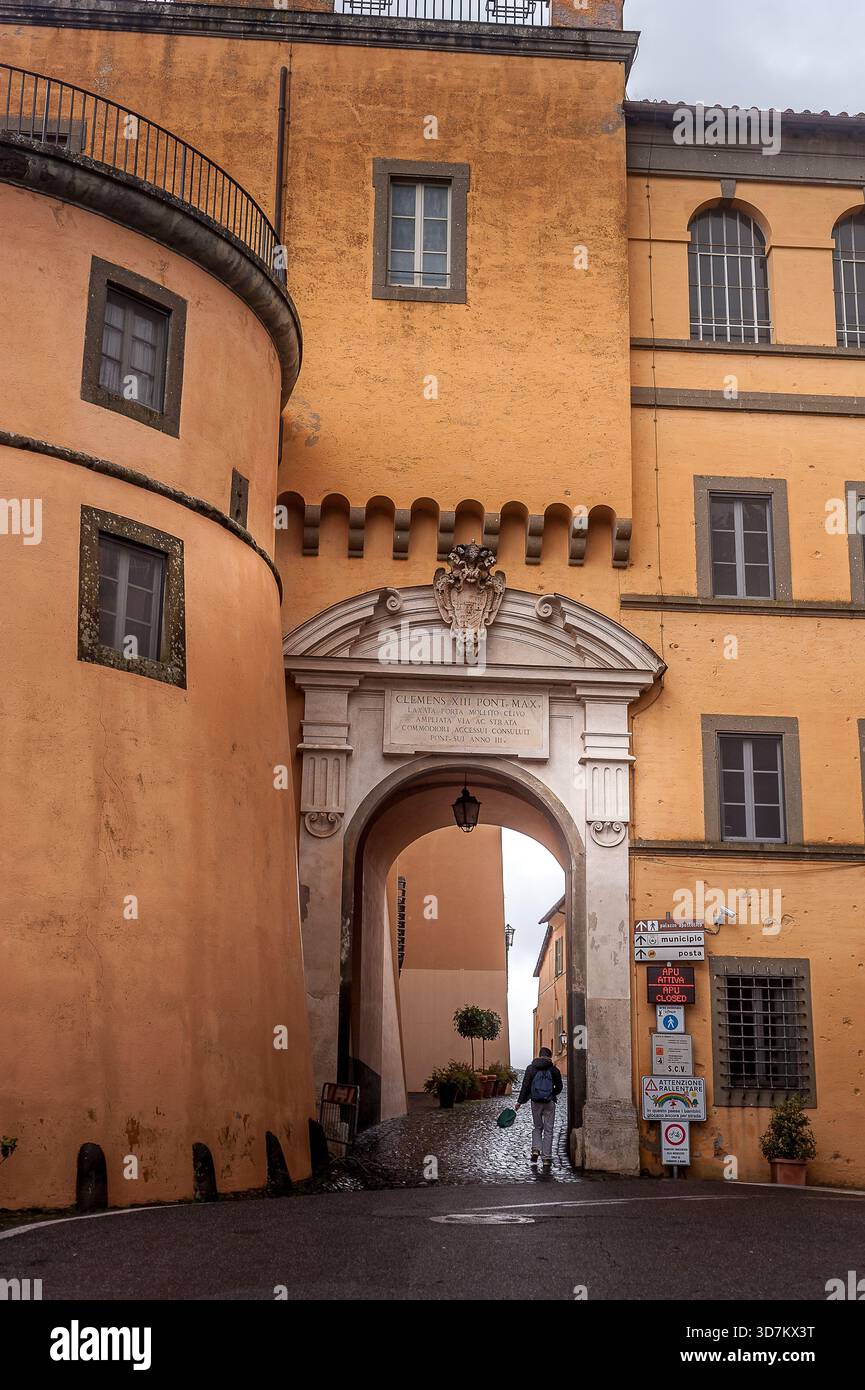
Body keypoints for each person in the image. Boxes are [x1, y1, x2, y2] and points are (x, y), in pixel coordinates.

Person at [515, 1047, 563, 1171]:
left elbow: (525, 1085)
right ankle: (546, 1158)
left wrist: (520, 1102)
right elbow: (559, 1087)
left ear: (539, 1055)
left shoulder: (531, 1068)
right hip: (549, 1102)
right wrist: (551, 1094)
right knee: (549, 1129)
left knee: (537, 1127)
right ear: (549, 1056)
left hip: (535, 1102)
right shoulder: (554, 1070)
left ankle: (536, 1149)